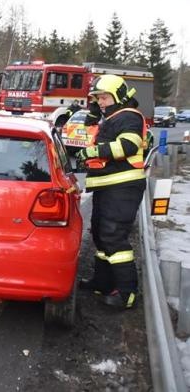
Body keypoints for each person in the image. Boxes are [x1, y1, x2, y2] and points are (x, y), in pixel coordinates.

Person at [76, 74, 147, 309]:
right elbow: (90, 135)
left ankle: (126, 294)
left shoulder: (129, 117)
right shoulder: (111, 118)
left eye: (104, 97)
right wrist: (93, 114)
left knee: (113, 236)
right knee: (100, 234)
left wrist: (94, 153)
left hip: (123, 187)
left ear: (118, 96)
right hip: (108, 186)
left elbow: (128, 146)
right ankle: (103, 283)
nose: (101, 102)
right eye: (97, 98)